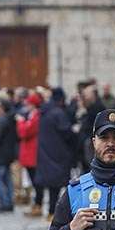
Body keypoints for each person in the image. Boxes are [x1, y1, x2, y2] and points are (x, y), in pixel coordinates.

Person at [35, 87, 76, 219]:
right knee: (56, 186)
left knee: (51, 184)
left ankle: (50, 211)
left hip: (46, 152)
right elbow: (67, 133)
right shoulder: (58, 113)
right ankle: (52, 212)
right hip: (58, 154)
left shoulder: (44, 112)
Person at [0, 98, 19, 212]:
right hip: (7, 154)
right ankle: (9, 202)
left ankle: (5, 202)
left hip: (0, 155)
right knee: (7, 179)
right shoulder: (10, 119)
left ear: (2, 108)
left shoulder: (2, 120)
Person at [16, 93, 43, 216]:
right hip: (30, 152)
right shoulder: (33, 115)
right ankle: (36, 204)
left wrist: (20, 122)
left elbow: (24, 132)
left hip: (32, 153)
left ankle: (38, 205)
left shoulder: (36, 116)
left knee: (36, 181)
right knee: (34, 180)